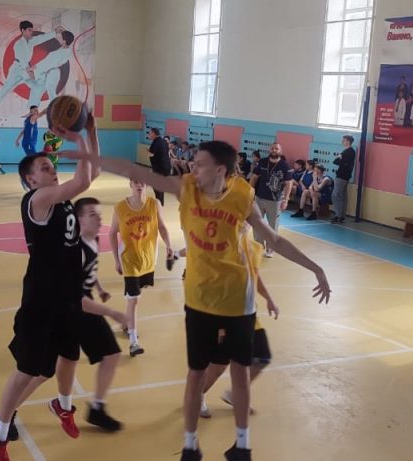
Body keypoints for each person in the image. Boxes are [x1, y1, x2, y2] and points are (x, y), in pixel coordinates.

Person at [57, 139, 332, 461]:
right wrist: (92, 156)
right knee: (196, 374)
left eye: (200, 164)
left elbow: (273, 239)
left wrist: (316, 268)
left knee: (240, 374)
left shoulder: (242, 196)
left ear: (220, 170)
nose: (192, 167)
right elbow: (135, 171)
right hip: (200, 300)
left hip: (238, 302)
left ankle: (242, 445)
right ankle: (190, 446)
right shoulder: (187, 188)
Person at [0, 116, 100, 461]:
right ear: (31, 179)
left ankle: (62, 405)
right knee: (28, 369)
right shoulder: (37, 200)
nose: (52, 169)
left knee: (67, 357)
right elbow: (82, 180)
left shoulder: (59, 199)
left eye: (51, 166)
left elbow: (91, 173)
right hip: (41, 298)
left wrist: (91, 131)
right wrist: (77, 139)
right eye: (45, 168)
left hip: (67, 294)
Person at [199, 237, 277, 419]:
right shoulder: (221, 247)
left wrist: (269, 299)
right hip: (225, 315)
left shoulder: (253, 248)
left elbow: (255, 276)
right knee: (219, 364)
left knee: (262, 356)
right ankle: (197, 395)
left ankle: (235, 394)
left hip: (248, 315)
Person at [73, 197, 130, 431]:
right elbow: (77, 300)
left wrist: (100, 288)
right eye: (92, 215)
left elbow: (89, 270)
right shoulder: (76, 251)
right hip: (74, 309)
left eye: (100, 214)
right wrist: (113, 313)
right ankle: (7, 415)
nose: (99, 219)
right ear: (78, 220)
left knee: (111, 354)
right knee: (41, 371)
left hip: (84, 301)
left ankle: (97, 408)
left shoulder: (93, 239)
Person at [109, 180, 173, 357]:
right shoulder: (120, 208)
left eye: (142, 182)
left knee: (135, 294)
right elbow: (112, 233)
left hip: (147, 258)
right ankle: (133, 342)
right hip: (128, 259)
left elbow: (161, 226)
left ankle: (126, 322)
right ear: (130, 184)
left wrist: (169, 245)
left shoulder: (154, 204)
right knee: (134, 299)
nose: (139, 185)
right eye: (136, 182)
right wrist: (116, 259)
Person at [0, 21, 64, 116]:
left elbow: (42, 38)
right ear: (23, 30)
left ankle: (32, 110)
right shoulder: (18, 44)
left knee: (37, 85)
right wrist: (30, 72)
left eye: (31, 30)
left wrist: (55, 32)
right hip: (17, 70)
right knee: (5, 89)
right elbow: (22, 60)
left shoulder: (31, 41)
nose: (31, 32)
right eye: (29, 30)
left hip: (26, 70)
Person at [249, 144, 291, 257]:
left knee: (273, 225)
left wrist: (286, 200)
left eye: (276, 148)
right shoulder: (262, 162)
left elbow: (289, 183)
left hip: (275, 201)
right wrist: (249, 193)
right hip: (259, 198)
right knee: (256, 223)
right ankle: (258, 246)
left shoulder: (284, 166)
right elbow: (254, 177)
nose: (274, 150)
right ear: (269, 150)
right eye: (272, 148)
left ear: (280, 151)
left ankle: (270, 249)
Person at [331, 135, 356, 224]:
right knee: (342, 196)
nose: (342, 141)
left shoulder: (349, 152)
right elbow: (337, 161)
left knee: (336, 195)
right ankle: (341, 216)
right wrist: (340, 158)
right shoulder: (346, 151)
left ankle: (338, 215)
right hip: (344, 176)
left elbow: (338, 161)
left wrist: (340, 157)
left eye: (344, 140)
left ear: (348, 141)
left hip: (342, 176)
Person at [146, 128, 171, 205]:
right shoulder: (164, 141)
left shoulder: (156, 142)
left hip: (160, 168)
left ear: (154, 133)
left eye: (150, 133)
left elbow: (151, 154)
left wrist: (147, 151)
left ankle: (159, 203)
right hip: (166, 167)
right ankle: (159, 202)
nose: (149, 135)